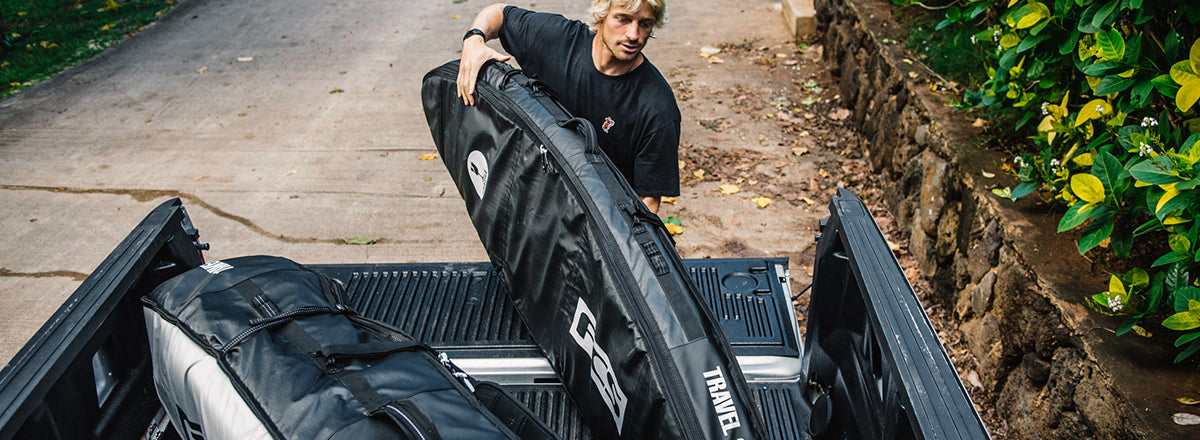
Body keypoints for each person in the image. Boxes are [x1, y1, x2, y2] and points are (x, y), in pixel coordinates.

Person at [456, 1, 680, 214]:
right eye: (623, 19)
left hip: (595, 217)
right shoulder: (558, 40)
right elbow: (500, 14)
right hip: (527, 189)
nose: (633, 35)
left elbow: (648, 202)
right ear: (601, 15)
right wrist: (474, 40)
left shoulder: (657, 107)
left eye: (645, 24)